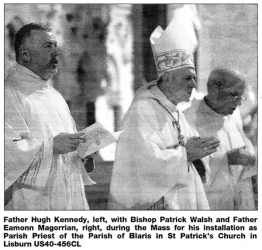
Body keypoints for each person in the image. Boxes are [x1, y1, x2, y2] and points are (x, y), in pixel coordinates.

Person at [107, 16, 220, 210]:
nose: (193, 84)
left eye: (193, 78)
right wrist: (186, 154)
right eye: (187, 78)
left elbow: (192, 154)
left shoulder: (173, 110)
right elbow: (144, 166)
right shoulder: (143, 110)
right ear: (167, 79)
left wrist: (201, 151)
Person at [5, 23, 95, 210]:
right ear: (25, 55)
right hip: (33, 203)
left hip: (67, 195)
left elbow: (66, 146)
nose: (56, 52)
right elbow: (6, 152)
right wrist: (51, 146)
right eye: (48, 46)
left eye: (55, 45)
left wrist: (82, 152)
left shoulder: (54, 95)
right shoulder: (8, 94)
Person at [184, 68, 257, 210]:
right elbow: (186, 173)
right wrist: (225, 160)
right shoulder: (188, 121)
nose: (239, 103)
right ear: (214, 90)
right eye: (234, 95)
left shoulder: (232, 121)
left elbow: (247, 165)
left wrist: (251, 159)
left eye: (240, 97)